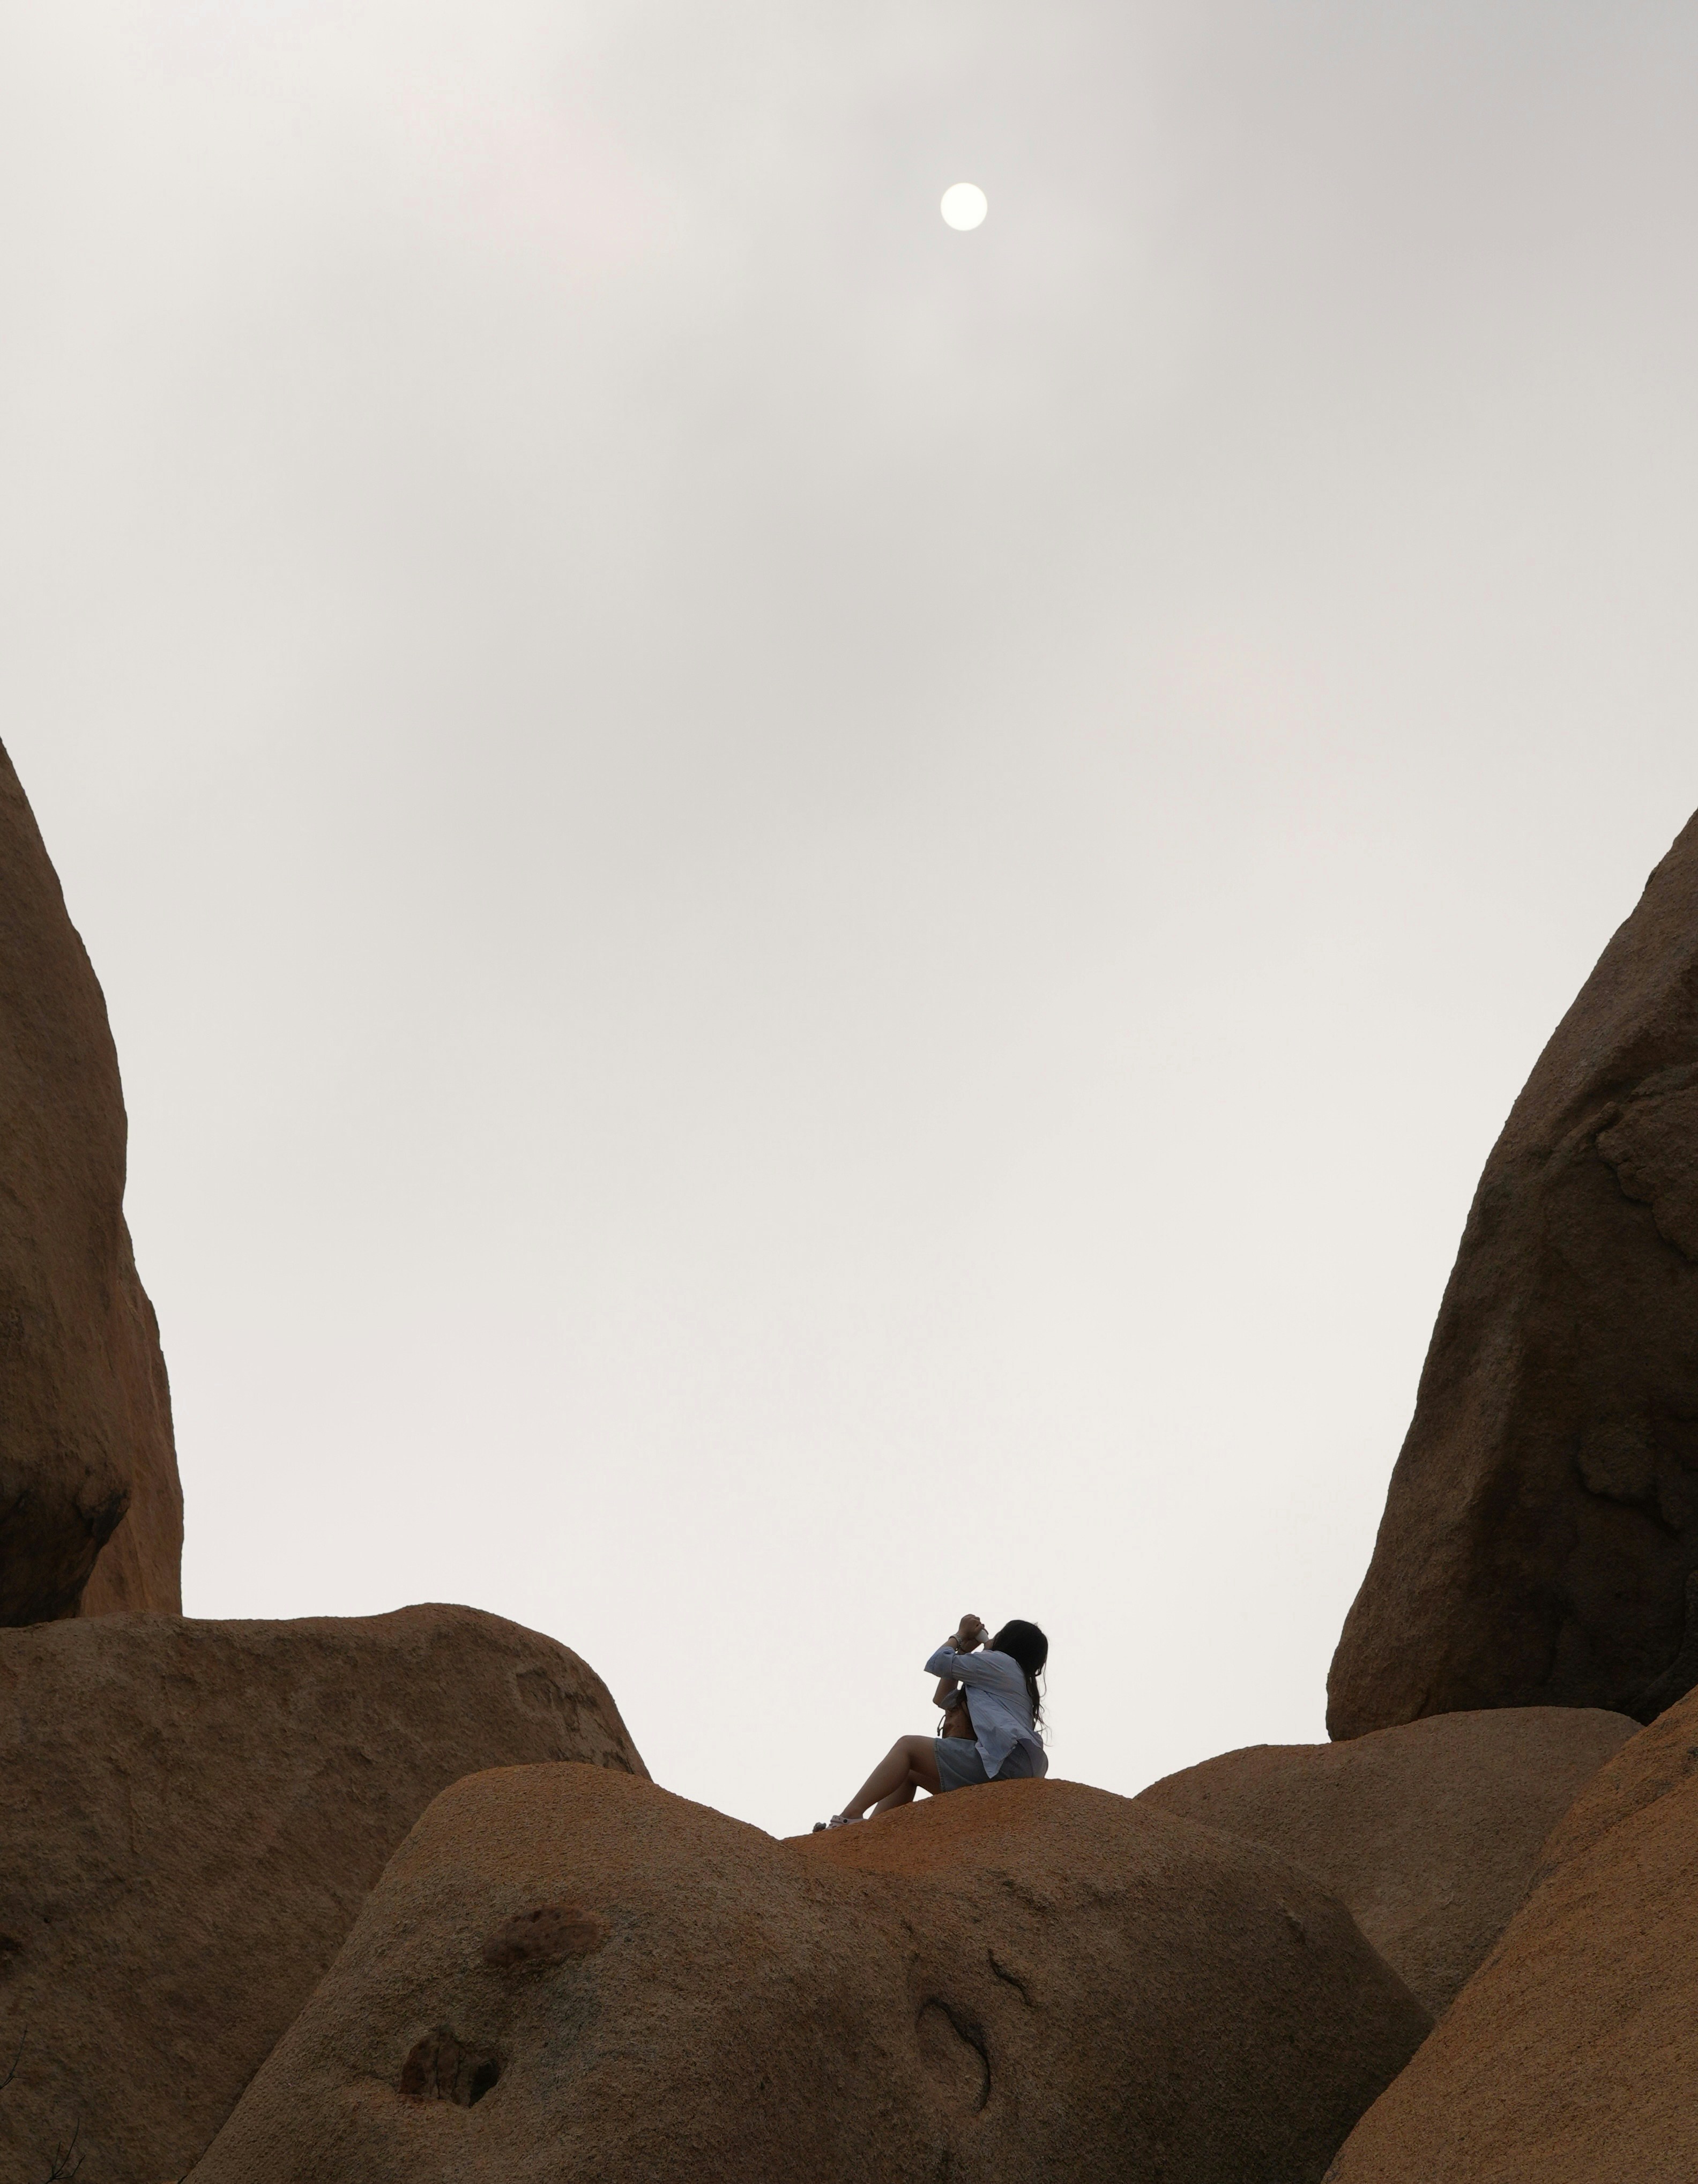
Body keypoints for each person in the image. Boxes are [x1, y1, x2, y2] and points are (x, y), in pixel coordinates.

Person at [817, 1613, 1048, 1828]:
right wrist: (965, 1654)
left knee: (908, 1747)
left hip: (1004, 1766)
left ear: (1006, 1642)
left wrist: (959, 1637)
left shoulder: (1000, 1663)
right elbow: (944, 1699)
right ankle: (862, 1834)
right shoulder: (1013, 1679)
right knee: (909, 1773)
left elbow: (938, 1662)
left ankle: (849, 1816)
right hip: (1011, 1770)